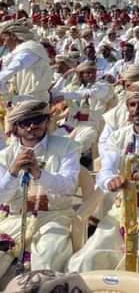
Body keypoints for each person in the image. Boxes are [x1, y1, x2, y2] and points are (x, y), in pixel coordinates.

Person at [67, 82, 139, 279]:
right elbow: (107, 169)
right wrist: (110, 181)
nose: (137, 109)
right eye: (132, 105)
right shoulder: (119, 137)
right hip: (120, 213)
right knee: (87, 260)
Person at [0, 100, 80, 277]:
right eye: (25, 122)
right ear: (15, 127)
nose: (32, 126)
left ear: (47, 121)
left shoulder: (68, 147)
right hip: (15, 218)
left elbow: (68, 186)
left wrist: (38, 173)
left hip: (55, 216)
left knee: (47, 257)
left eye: (38, 120)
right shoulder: (5, 156)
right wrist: (13, 172)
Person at [0, 20, 53, 105]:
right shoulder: (16, 53)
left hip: (34, 104)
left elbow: (13, 68)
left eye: (5, 39)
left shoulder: (31, 48)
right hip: (21, 103)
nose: (5, 43)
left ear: (13, 36)